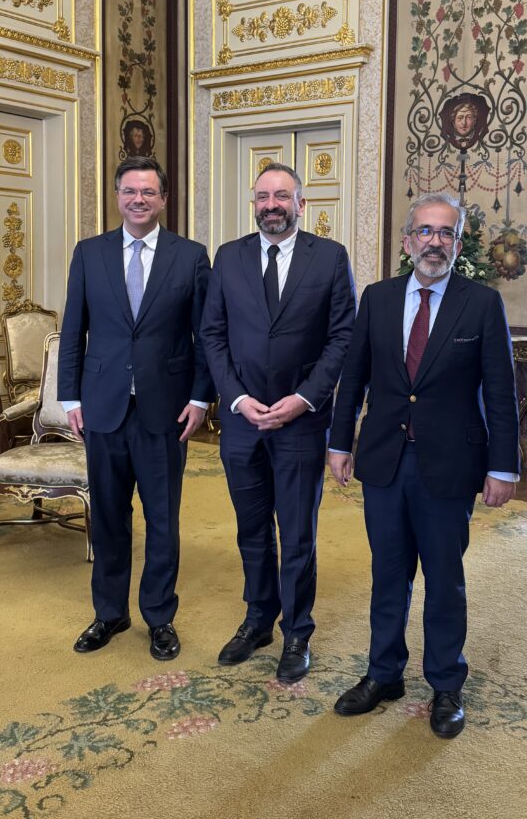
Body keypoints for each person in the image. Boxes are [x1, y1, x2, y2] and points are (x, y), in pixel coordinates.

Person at [329, 192, 519, 737]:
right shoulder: (378, 298)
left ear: (458, 244)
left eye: (446, 233)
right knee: (387, 575)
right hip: (384, 461)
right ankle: (383, 673)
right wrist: (339, 443)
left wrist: (503, 467)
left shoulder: (481, 304)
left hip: (450, 465)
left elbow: (500, 392)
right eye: (425, 231)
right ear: (407, 240)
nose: (434, 242)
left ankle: (445, 683)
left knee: (444, 579)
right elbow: (354, 376)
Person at [200, 163, 356, 683]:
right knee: (251, 529)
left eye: (282, 196)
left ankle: (297, 631)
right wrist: (237, 398)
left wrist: (305, 399)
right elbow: (213, 335)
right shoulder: (229, 257)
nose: (272, 205)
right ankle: (258, 619)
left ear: (301, 204)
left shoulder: (330, 258)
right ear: (254, 204)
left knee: (297, 534)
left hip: (301, 423)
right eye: (263, 196)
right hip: (242, 422)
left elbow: (342, 337)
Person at [58, 155, 214, 661]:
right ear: (118, 197)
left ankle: (159, 616)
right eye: (129, 191)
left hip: (166, 411)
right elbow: (73, 330)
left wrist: (200, 398)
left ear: (163, 199)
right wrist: (70, 397)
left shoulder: (190, 257)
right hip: (102, 408)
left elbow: (206, 335)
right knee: (108, 515)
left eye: (148, 192)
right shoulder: (89, 253)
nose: (138, 199)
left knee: (162, 518)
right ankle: (109, 613)